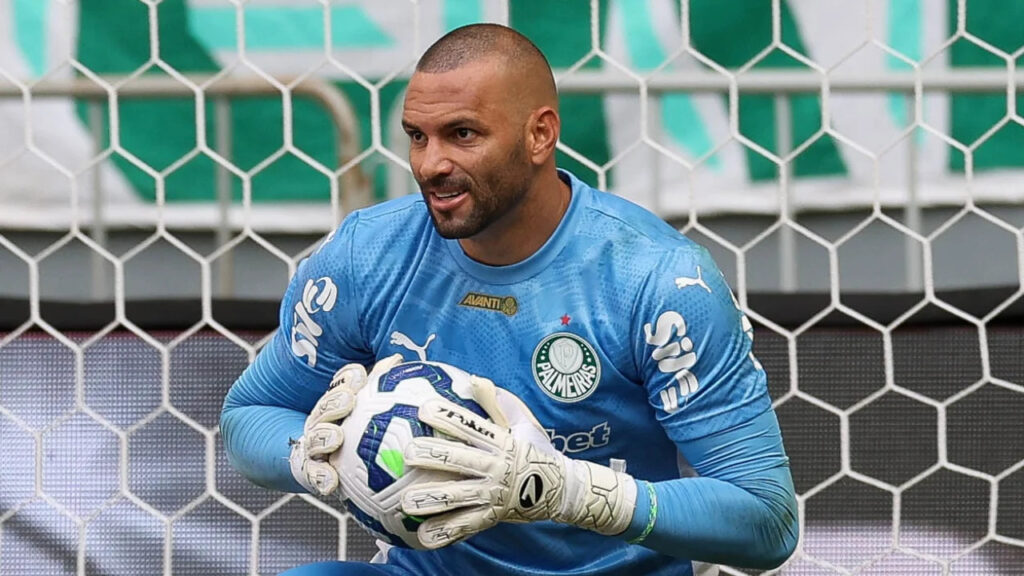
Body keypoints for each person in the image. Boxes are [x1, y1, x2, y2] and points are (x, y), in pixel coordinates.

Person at [221, 23, 798, 576]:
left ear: (539, 135)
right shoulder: (365, 255)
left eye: (462, 134)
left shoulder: (660, 280)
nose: (430, 165)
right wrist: (314, 452)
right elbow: (248, 415)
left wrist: (569, 492)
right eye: (417, 136)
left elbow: (767, 519)